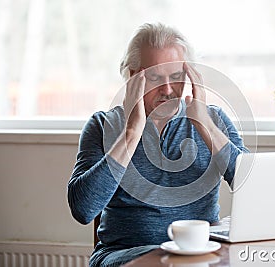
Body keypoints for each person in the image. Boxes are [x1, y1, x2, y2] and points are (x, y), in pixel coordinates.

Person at [67, 22, 248, 267]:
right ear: (133, 78)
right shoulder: (103, 125)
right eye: (154, 77)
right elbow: (83, 210)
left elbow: (254, 187)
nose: (168, 89)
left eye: (176, 77)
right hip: (125, 255)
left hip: (199, 255)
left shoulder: (214, 121)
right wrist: (131, 133)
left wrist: (205, 125)